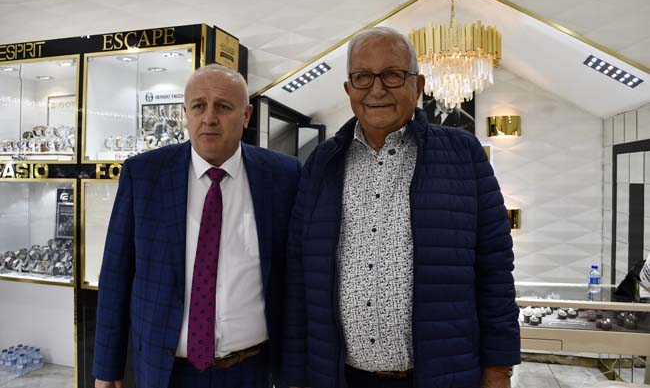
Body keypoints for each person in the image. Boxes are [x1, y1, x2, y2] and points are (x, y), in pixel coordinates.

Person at [283, 27, 520, 388]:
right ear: (348, 88)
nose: (377, 89)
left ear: (417, 85)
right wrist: (295, 375)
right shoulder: (321, 163)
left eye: (392, 74)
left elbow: (495, 268)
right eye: (363, 76)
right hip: (340, 377)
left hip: (442, 376)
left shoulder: (463, 154)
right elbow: (299, 276)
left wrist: (498, 368)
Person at [94, 64, 301, 388]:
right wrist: (107, 370)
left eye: (223, 107)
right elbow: (116, 275)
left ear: (246, 116)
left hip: (251, 371)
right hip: (166, 372)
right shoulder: (144, 174)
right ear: (185, 114)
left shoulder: (284, 175)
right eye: (199, 106)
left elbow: (295, 277)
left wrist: (297, 371)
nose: (209, 118)